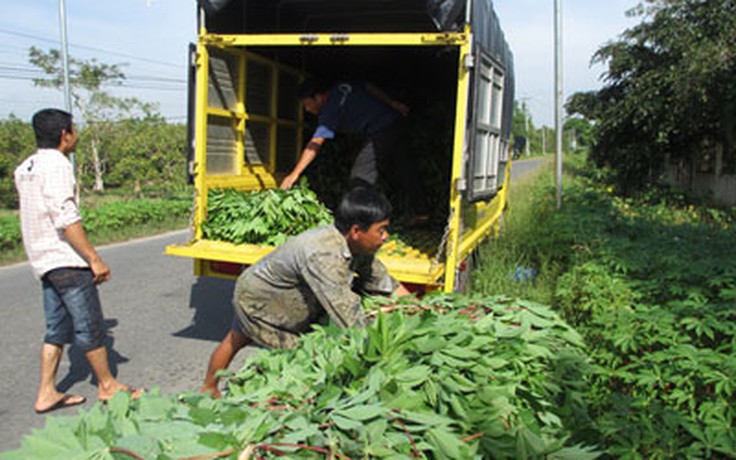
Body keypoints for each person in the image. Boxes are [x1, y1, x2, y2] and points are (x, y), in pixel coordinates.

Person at [200, 187, 410, 398]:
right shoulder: (324, 255)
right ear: (356, 231)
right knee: (301, 353)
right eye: (381, 230)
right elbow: (349, 320)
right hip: (259, 301)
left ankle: (209, 388)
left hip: (264, 289)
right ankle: (253, 395)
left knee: (236, 337)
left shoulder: (355, 245)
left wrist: (419, 307)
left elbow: (386, 284)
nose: (386, 237)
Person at [14, 108, 142, 414]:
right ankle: (108, 386)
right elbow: (66, 217)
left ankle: (47, 391)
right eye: (75, 128)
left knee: (56, 330)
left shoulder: (26, 167)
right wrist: (94, 259)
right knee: (89, 326)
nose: (77, 134)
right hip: (65, 260)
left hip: (42, 261)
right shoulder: (57, 165)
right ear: (64, 134)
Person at [280, 78, 430, 226]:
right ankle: (422, 214)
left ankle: (364, 224)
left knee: (360, 178)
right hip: (396, 121)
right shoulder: (342, 86)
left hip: (380, 130)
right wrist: (391, 103)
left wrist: (295, 174)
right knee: (406, 169)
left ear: (318, 97)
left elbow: (315, 143)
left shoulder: (330, 111)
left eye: (307, 104)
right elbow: (368, 85)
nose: (307, 109)